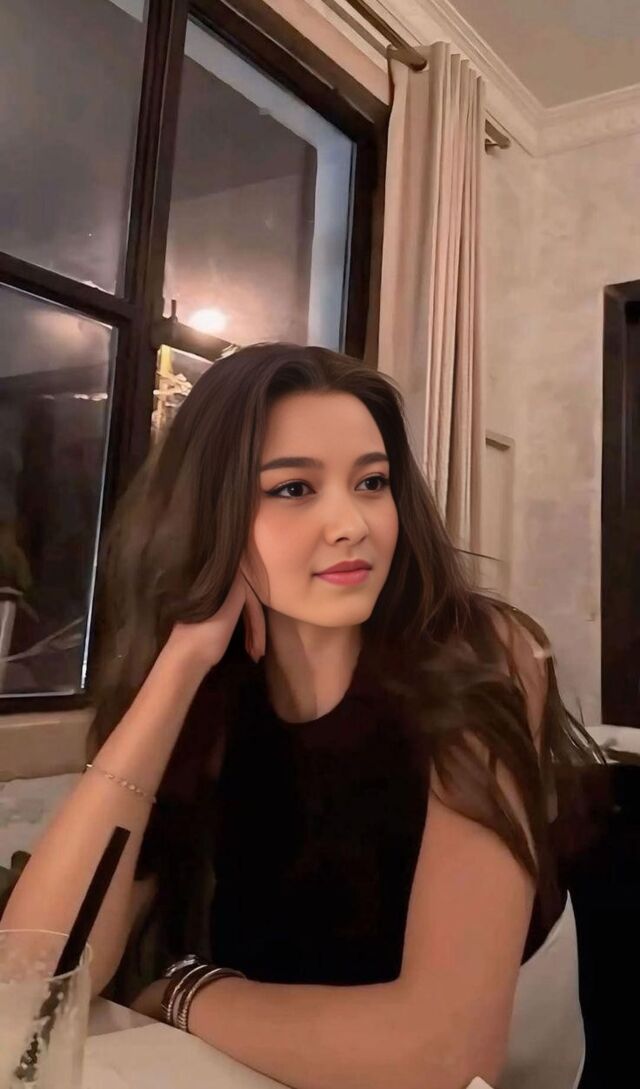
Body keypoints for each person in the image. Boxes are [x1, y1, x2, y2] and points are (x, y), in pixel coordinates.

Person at [1, 343, 603, 1089]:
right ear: (212, 515)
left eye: (372, 482)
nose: (351, 523)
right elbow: (32, 974)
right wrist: (181, 662)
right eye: (293, 488)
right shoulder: (214, 688)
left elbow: (443, 1056)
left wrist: (181, 993)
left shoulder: (479, 655)